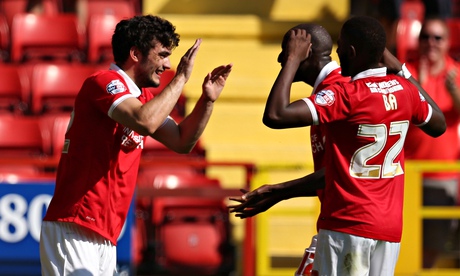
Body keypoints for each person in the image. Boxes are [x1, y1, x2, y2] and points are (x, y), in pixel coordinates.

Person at [231, 15, 446, 275]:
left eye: (286, 51)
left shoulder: (344, 93)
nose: (337, 52)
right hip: (387, 229)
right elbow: (438, 123)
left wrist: (292, 59)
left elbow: (275, 115)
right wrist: (401, 68)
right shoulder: (403, 89)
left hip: (348, 224)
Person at [39, 14, 232, 275]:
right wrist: (181, 79)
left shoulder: (142, 97)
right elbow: (145, 122)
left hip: (105, 235)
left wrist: (207, 101)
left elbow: (182, 141)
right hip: (75, 226)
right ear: (135, 53)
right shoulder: (104, 82)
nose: (168, 64)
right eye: (162, 55)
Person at [403, 16, 460, 268]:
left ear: (447, 42)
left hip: (443, 176)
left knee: (433, 245)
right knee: (402, 243)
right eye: (425, 36)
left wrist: (455, 94)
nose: (431, 43)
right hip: (407, 174)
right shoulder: (407, 71)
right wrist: (421, 85)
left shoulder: (455, 74)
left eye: (437, 37)